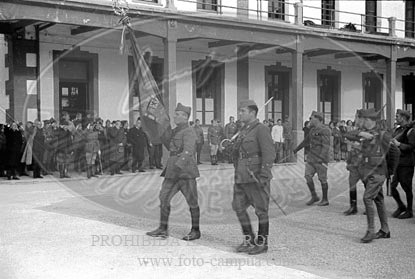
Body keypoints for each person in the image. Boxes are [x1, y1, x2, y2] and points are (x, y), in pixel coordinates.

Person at [146, 103, 201, 241]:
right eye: (175, 114)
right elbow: (167, 142)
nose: (175, 116)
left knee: (192, 201)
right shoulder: (175, 130)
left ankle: (195, 230)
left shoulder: (189, 131)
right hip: (172, 171)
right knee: (163, 198)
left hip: (185, 172)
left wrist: (179, 165)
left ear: (185, 116)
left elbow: (189, 150)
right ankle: (163, 228)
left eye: (177, 114)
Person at [232, 100, 274, 255]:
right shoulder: (243, 130)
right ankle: (249, 239)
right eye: (239, 111)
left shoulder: (261, 129)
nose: (240, 113)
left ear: (252, 113)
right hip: (241, 175)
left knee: (261, 210)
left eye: (243, 111)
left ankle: (262, 242)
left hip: (255, 175)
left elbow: (269, 154)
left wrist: (264, 175)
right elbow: (239, 153)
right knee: (238, 207)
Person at [357, 108, 392, 243]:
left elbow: (394, 152)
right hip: (369, 172)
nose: (362, 122)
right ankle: (385, 230)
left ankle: (370, 231)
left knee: (367, 198)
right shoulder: (367, 134)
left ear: (370, 120)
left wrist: (390, 172)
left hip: (378, 173)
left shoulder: (383, 135)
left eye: (364, 119)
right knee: (378, 200)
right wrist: (361, 133)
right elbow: (349, 134)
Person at [294, 111, 331, 206]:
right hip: (312, 157)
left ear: (318, 119)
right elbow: (306, 141)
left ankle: (325, 199)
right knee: (307, 176)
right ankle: (314, 196)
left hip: (321, 159)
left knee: (322, 179)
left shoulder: (325, 130)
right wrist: (296, 149)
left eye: (312, 118)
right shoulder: (312, 130)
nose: (310, 120)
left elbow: (326, 146)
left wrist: (321, 158)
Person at [390, 109, 415, 219]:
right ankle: (401, 206)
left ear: (404, 118)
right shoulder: (398, 129)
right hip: (397, 162)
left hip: (407, 163)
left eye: (398, 116)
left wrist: (399, 144)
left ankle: (409, 210)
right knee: (392, 187)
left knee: (407, 187)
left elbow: (411, 147)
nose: (396, 118)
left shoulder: (411, 131)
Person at [342, 110, 364, 216]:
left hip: (364, 164)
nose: (355, 119)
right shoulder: (356, 131)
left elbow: (365, 147)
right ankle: (353, 206)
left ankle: (371, 206)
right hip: (354, 164)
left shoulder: (367, 132)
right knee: (352, 185)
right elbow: (351, 149)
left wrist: (353, 143)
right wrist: (348, 161)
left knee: (369, 187)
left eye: (357, 117)